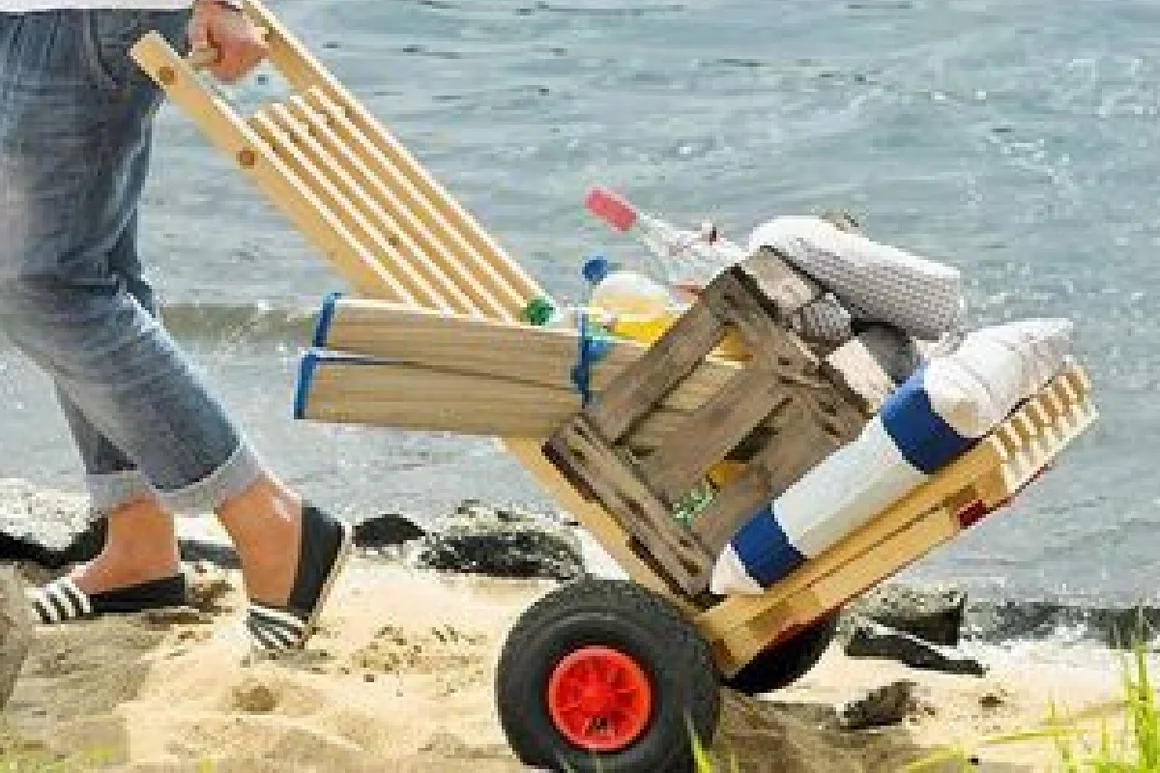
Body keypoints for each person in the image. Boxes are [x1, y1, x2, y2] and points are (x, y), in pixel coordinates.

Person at [0, 0, 351, 653]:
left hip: (88, 16)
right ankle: (137, 541)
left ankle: (273, 521)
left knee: (44, 283)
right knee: (90, 265)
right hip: (39, 16)